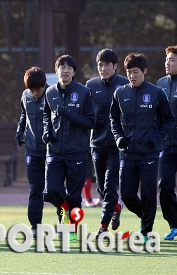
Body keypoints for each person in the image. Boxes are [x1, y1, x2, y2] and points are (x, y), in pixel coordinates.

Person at [111, 53, 174, 242]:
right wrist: (118, 138)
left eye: (136, 72)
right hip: (128, 153)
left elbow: (168, 120)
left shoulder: (156, 93)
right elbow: (113, 119)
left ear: (144, 71)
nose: (132, 76)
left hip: (150, 154)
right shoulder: (120, 93)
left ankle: (146, 231)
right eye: (129, 72)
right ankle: (147, 217)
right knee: (128, 194)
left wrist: (156, 139)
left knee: (148, 193)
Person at [42, 55, 96, 242]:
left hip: (77, 152)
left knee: (74, 196)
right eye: (61, 67)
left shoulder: (83, 92)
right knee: (50, 192)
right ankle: (64, 209)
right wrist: (46, 132)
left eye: (68, 68)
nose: (64, 71)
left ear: (74, 71)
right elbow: (46, 116)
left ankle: (71, 229)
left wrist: (69, 114)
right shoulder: (49, 92)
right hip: (55, 151)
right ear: (56, 70)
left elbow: (91, 121)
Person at [85, 48, 128, 237]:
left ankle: (103, 227)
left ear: (115, 66)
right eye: (100, 65)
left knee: (111, 185)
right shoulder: (90, 85)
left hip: (117, 146)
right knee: (102, 189)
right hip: (96, 143)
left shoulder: (126, 84)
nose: (103, 69)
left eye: (107, 65)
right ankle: (116, 207)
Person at [15, 67, 48, 237]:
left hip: (51, 151)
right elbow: (24, 115)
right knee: (35, 189)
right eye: (32, 90)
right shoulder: (25, 95)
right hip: (32, 151)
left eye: (38, 89)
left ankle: (63, 219)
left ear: (44, 85)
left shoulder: (52, 95)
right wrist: (20, 131)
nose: (35, 93)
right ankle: (35, 226)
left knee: (53, 190)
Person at [156, 46, 177, 240]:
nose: (167, 63)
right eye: (167, 60)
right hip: (167, 146)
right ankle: (174, 223)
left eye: (171, 60)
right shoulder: (160, 84)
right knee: (164, 185)